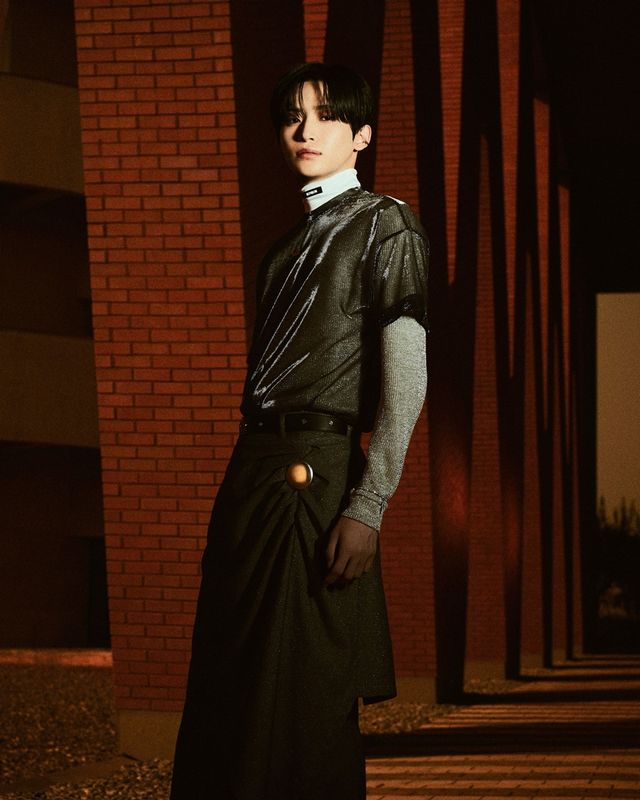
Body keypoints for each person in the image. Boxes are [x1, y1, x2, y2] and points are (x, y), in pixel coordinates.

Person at [170, 62, 429, 800]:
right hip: (253, 471)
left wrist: (368, 505)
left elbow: (406, 381)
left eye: (325, 116)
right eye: (292, 116)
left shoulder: (386, 223)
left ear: (362, 135)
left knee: (305, 695)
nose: (305, 131)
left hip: (313, 477)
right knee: (227, 692)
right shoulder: (283, 247)